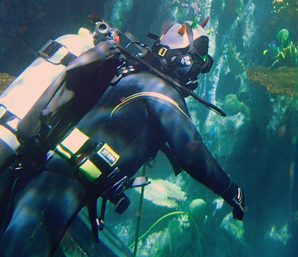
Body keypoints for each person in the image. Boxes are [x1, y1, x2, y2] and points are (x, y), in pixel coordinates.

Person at [0, 21, 245, 257]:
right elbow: (194, 154)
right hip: (61, 186)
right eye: (198, 62)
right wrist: (231, 191)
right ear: (183, 59)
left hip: (49, 174)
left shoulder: (132, 74)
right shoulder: (161, 92)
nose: (197, 73)